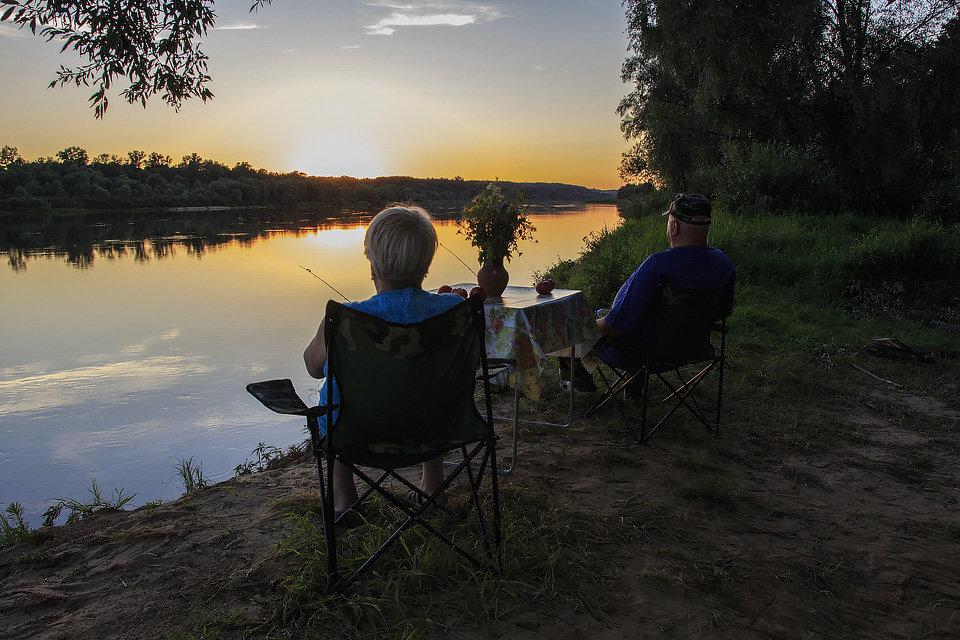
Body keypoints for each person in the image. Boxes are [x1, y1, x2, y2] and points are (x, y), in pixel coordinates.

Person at [303, 206, 462, 518]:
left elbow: (313, 366)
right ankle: (433, 485)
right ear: (427, 264)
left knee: (335, 409)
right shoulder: (453, 310)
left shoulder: (346, 317)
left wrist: (327, 328)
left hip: (358, 432)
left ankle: (343, 498)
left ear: (372, 263)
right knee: (425, 390)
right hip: (436, 427)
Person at [561, 193, 735, 390]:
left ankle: (581, 387)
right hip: (694, 348)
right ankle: (633, 387)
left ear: (674, 226)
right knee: (633, 322)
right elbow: (722, 313)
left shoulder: (658, 265)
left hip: (643, 353)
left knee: (578, 324)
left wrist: (578, 327)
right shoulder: (724, 264)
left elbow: (616, 325)